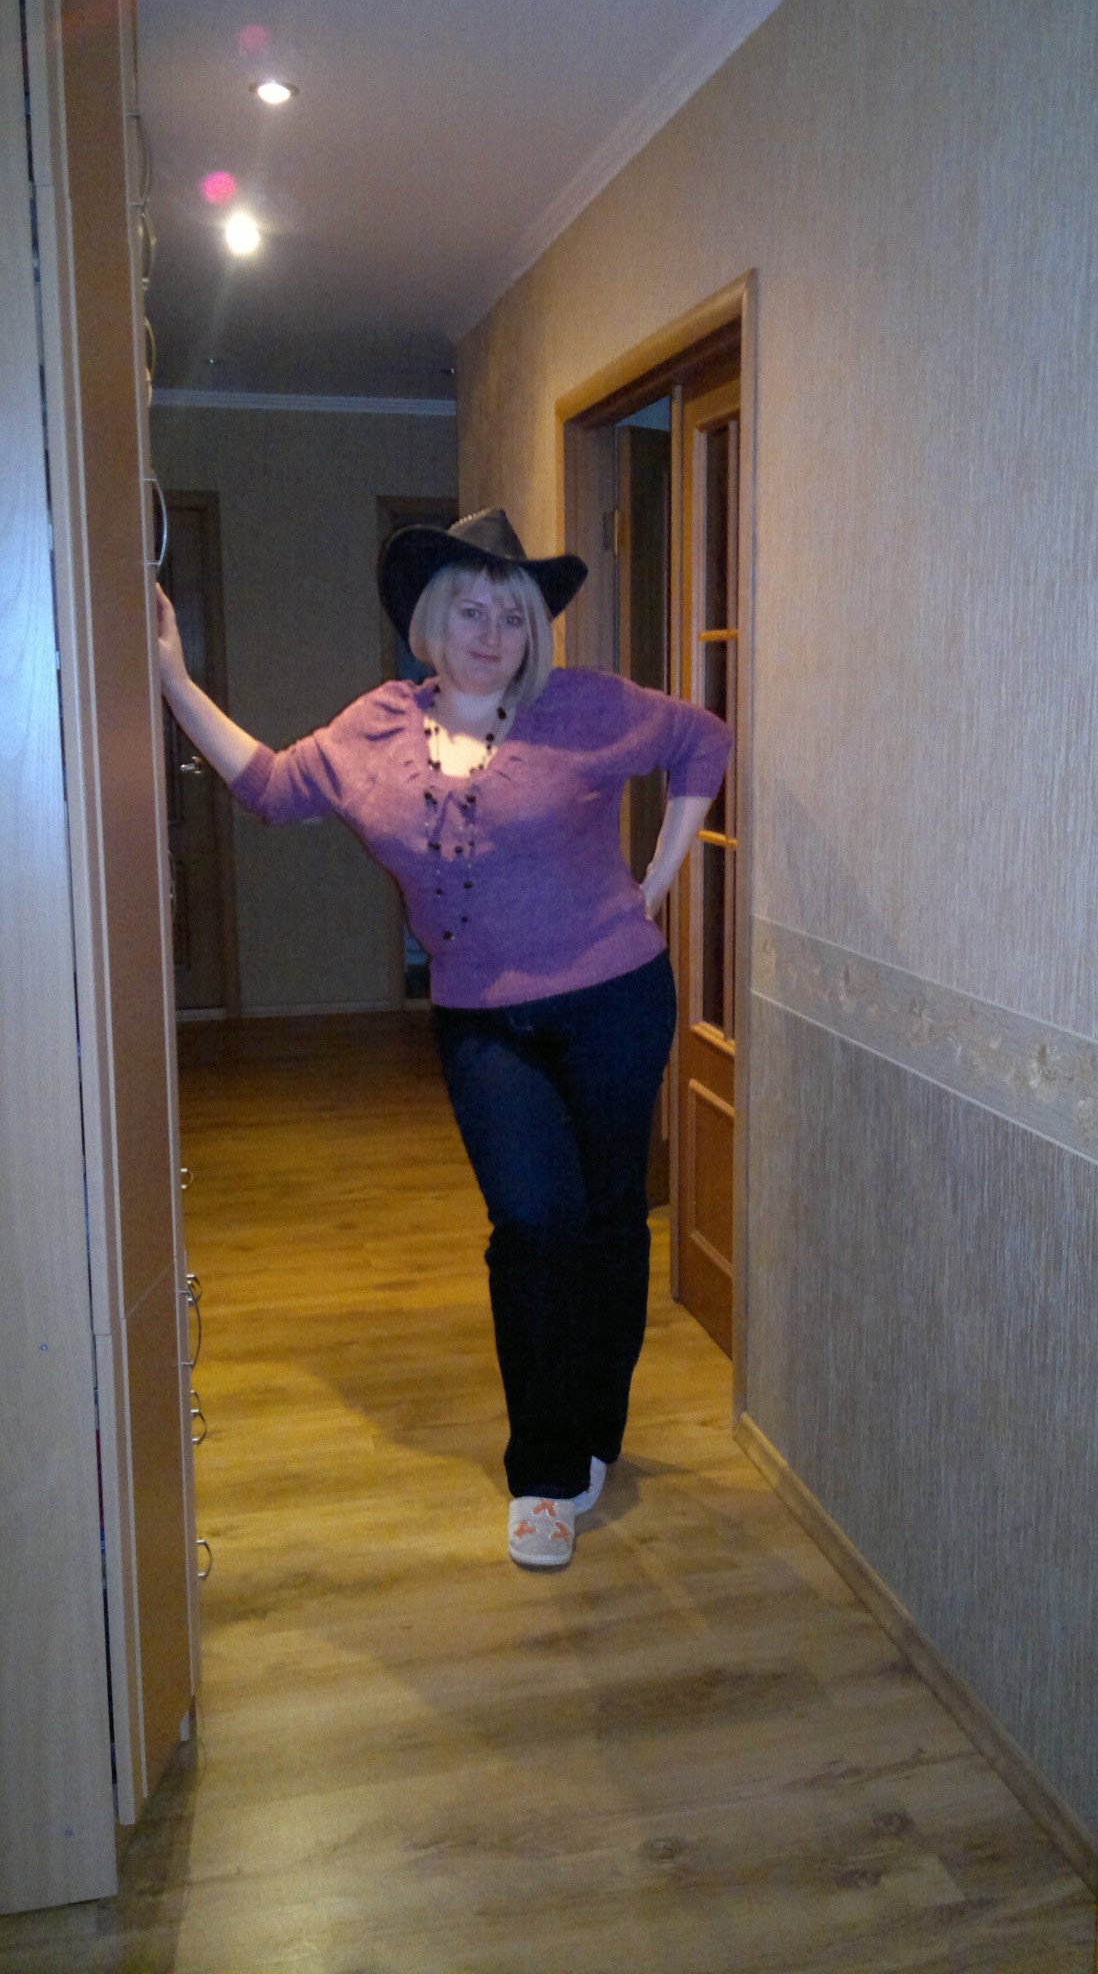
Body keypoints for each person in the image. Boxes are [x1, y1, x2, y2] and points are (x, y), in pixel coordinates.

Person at [157, 508, 730, 1570]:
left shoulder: (579, 706)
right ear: (428, 620)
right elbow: (271, 788)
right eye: (470, 609)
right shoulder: (372, 729)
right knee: (534, 1221)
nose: (491, 633)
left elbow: (703, 737)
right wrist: (173, 679)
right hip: (482, 1023)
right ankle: (543, 1472)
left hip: (615, 1000)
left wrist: (659, 875)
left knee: (609, 1219)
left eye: (512, 616)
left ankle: (593, 1429)